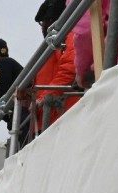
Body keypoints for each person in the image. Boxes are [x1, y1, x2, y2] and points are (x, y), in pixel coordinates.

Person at [33, 0, 80, 135]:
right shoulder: (52, 46)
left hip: (63, 116)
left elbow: (69, 69)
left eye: (42, 22)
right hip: (49, 118)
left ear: (51, 19)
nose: (41, 27)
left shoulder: (68, 36)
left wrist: (43, 97)